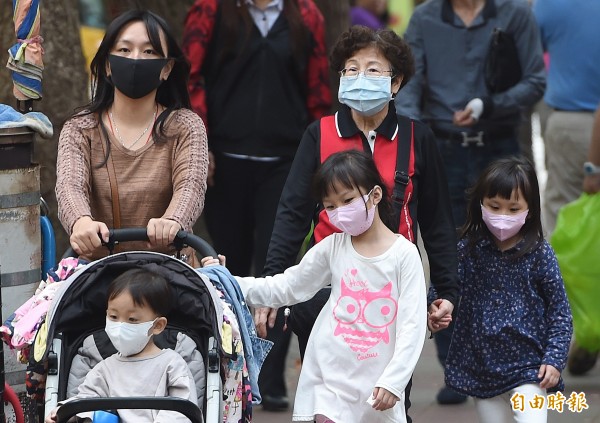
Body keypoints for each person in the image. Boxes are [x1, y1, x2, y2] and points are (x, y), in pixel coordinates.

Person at [260, 25, 459, 421]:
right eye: (350, 70)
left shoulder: (418, 138)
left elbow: (437, 223)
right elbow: (292, 213)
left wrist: (446, 290)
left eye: (373, 70)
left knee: (387, 402)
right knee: (326, 402)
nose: (359, 78)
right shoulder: (319, 134)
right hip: (326, 292)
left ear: (396, 82)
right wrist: (273, 284)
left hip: (391, 295)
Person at [182, 0, 331, 411]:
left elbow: (318, 91)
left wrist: (318, 158)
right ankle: (232, 370)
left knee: (277, 266)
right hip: (223, 163)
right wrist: (202, 143)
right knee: (229, 267)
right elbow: (191, 79)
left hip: (284, 164)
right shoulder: (210, 10)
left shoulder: (306, 15)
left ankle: (272, 375)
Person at [204, 150, 427, 423]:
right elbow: (286, 286)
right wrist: (227, 280)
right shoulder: (333, 247)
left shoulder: (403, 254)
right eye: (330, 206)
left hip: (378, 383)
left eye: (347, 200)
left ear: (376, 195)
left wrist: (394, 381)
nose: (340, 212)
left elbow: (412, 325)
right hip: (329, 380)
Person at [396, 0, 546, 404]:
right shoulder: (426, 18)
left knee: (512, 254)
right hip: (442, 147)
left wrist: (488, 104)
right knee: (448, 255)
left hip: (499, 145)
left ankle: (517, 358)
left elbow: (535, 80)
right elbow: (408, 84)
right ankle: (455, 367)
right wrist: (413, 140)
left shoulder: (515, 15)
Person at [56, 10, 208, 264]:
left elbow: (191, 185)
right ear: (107, 63)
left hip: (168, 269)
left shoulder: (186, 126)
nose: (136, 59)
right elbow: (70, 185)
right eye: (125, 50)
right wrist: (81, 221)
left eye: (149, 51)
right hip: (99, 268)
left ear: (167, 68)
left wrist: (173, 220)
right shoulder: (79, 128)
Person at [437, 156, 572, 422]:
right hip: (482, 370)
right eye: (494, 206)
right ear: (481, 204)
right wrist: (438, 304)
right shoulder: (469, 250)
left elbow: (559, 311)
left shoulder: (540, 254)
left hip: (528, 369)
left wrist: (554, 359)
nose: (502, 217)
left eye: (513, 209)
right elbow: (446, 284)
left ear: (530, 210)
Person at [45, 268, 197, 423]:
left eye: (132, 319)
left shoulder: (172, 364)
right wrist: (63, 411)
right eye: (113, 317)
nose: (120, 326)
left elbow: (183, 409)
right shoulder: (104, 369)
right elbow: (84, 401)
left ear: (157, 325)